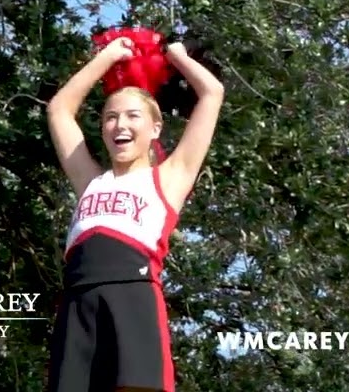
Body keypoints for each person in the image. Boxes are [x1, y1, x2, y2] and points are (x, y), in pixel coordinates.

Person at [45, 34, 225, 392]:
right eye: (110, 117)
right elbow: (59, 109)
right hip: (78, 298)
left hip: (131, 293)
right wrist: (107, 59)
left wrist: (177, 58)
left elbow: (212, 93)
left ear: (155, 127)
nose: (119, 125)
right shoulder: (89, 179)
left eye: (132, 116)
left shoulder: (170, 178)